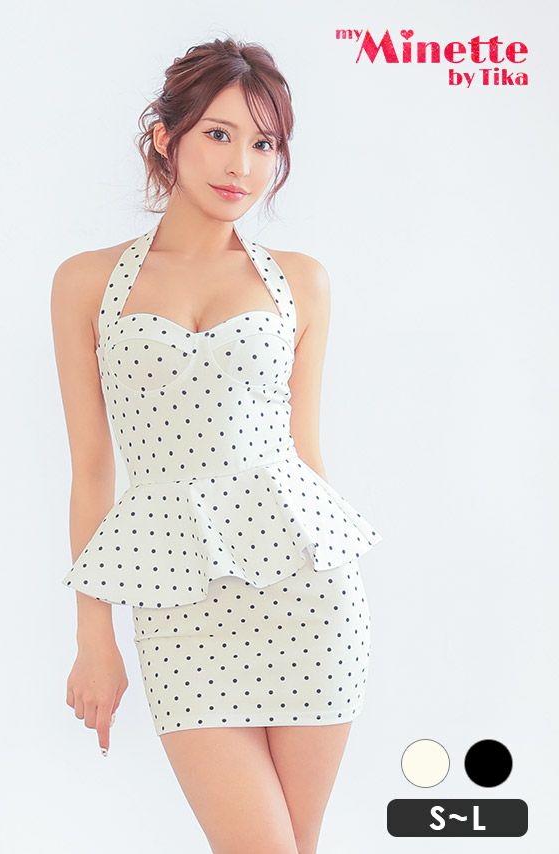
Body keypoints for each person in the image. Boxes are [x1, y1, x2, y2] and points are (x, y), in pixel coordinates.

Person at [51, 36, 382, 854]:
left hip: (310, 601)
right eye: (220, 134)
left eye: (265, 143)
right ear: (166, 137)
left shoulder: (300, 280)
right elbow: (91, 469)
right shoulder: (87, 282)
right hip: (178, 608)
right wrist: (95, 638)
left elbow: (305, 452)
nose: (242, 165)